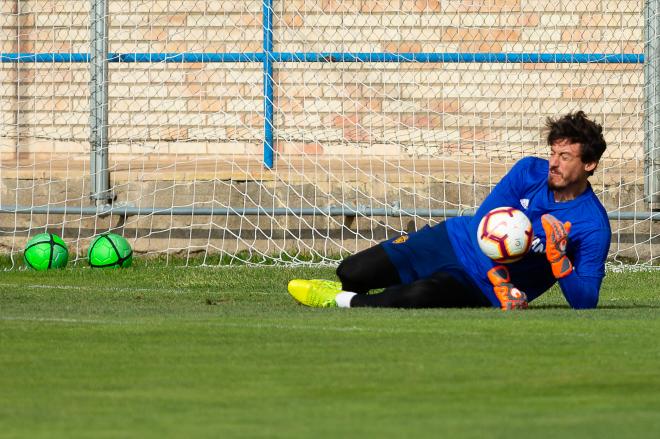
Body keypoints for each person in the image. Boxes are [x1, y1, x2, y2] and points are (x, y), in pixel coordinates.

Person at [287, 111, 611, 311]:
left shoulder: (592, 225)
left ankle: (340, 301)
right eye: (553, 152)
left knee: (420, 295)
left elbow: (585, 301)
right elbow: (481, 224)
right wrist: (499, 278)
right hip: (455, 240)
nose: (553, 162)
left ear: (589, 164)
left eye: (565, 156)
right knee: (352, 271)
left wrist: (558, 260)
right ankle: (356, 290)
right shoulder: (528, 171)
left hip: (479, 287)